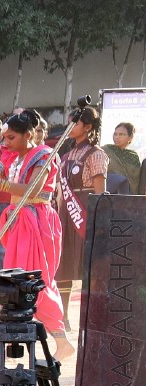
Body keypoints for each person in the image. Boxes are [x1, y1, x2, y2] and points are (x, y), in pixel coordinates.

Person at [0, 109, 73, 357]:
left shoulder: (44, 155)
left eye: (10, 138)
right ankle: (22, 338)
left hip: (37, 222)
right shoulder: (9, 156)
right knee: (15, 281)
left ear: (28, 135)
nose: (4, 143)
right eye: (4, 138)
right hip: (18, 221)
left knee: (33, 281)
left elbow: (32, 190)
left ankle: (60, 340)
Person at [57, 100, 107, 304]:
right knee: (64, 262)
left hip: (85, 210)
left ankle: (90, 312)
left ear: (87, 127)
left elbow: (100, 192)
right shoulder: (67, 155)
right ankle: (64, 314)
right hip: (66, 211)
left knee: (88, 263)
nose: (70, 128)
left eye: (74, 124)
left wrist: (97, 219)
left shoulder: (96, 154)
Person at [105, 122, 140, 194]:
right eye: (115, 134)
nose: (117, 137)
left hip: (131, 198)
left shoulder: (134, 156)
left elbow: (137, 180)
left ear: (130, 137)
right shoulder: (106, 150)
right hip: (110, 194)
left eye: (121, 134)